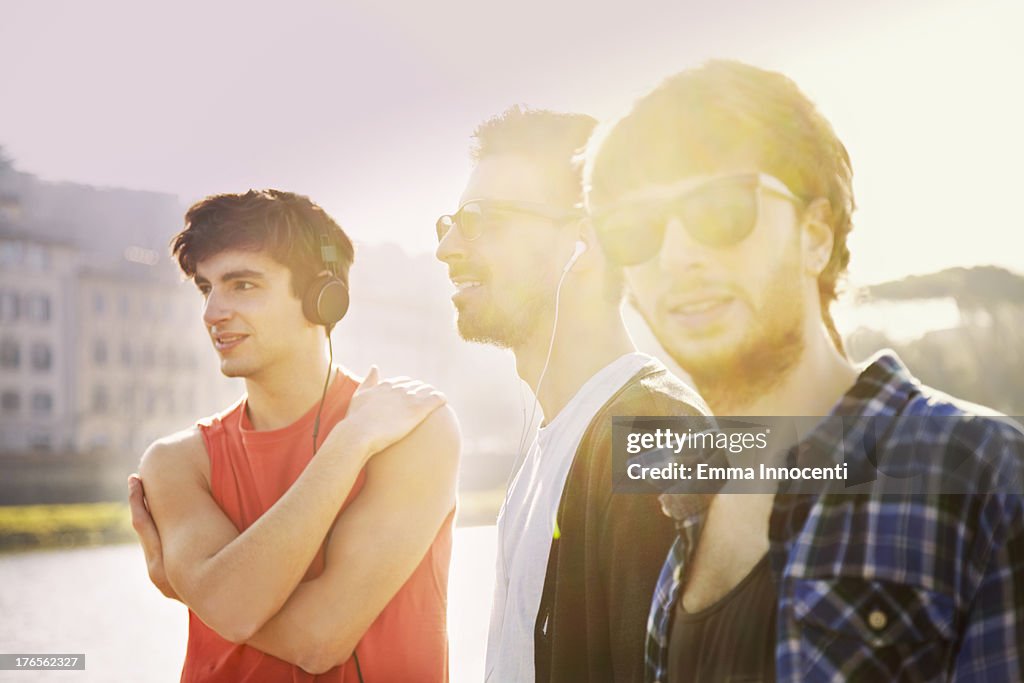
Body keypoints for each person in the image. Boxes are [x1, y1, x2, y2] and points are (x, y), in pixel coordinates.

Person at [585, 59, 1024, 682]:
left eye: (720, 210)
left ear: (815, 235)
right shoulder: (686, 511)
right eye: (635, 231)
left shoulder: (982, 473)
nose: (677, 254)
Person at [127, 189, 460, 682]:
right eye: (206, 287)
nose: (212, 312)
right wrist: (349, 443)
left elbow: (319, 639)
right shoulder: (177, 461)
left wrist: (196, 587)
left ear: (322, 298)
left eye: (242, 285)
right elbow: (233, 610)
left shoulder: (413, 428)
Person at [435, 106, 710, 683]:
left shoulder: (651, 438)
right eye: (450, 223)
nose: (448, 248)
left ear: (584, 242)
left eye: (481, 220)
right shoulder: (550, 445)